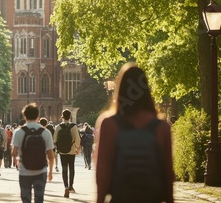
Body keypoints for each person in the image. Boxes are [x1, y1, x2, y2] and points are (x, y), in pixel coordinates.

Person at [95, 63, 174, 203]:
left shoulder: (109, 124)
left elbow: (103, 170)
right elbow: (168, 173)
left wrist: (100, 199)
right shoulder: (161, 127)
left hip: (121, 196)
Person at [12, 103, 54, 203]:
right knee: (39, 199)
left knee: (26, 199)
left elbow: (14, 152)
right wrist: (50, 172)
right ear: (38, 117)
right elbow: (51, 155)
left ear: (25, 116)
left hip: (24, 171)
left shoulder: (18, 132)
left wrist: (16, 160)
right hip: (41, 170)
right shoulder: (45, 132)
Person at [53, 109, 80, 198]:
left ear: (62, 116)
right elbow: (77, 139)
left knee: (64, 169)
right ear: (70, 116)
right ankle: (71, 186)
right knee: (71, 168)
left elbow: (55, 139)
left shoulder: (58, 127)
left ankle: (66, 186)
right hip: (71, 150)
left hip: (62, 151)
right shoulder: (74, 127)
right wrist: (77, 148)